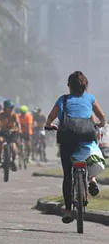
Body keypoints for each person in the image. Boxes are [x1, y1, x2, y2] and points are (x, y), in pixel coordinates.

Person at [45, 71, 105, 224]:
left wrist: (48, 125)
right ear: (85, 86)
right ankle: (91, 180)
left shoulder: (63, 99)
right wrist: (100, 124)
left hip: (67, 137)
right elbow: (102, 116)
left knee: (67, 175)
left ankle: (68, 210)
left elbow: (51, 117)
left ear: (69, 86)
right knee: (90, 154)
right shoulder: (90, 98)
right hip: (86, 134)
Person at [0, 100, 20, 171]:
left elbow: (18, 123)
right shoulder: (1, 115)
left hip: (12, 133)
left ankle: (13, 161)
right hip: (3, 132)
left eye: (12, 108)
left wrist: (18, 129)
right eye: (9, 108)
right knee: (0, 141)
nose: (11, 109)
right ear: (5, 108)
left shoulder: (14, 115)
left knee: (14, 149)